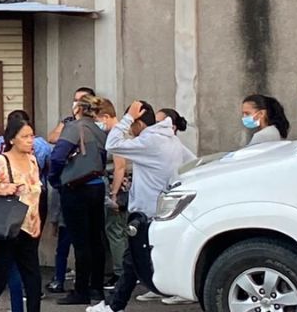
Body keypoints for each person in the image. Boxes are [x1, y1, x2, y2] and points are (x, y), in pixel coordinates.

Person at [87, 101, 197, 312]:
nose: (130, 129)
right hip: (161, 208)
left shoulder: (150, 141)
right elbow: (192, 162)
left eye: (131, 123)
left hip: (146, 212)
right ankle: (116, 304)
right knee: (136, 260)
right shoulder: (169, 139)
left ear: (138, 121)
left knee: (132, 261)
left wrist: (127, 116)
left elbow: (113, 145)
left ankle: (113, 306)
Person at [0, 110, 53, 311]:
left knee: (33, 279)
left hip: (28, 228)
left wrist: (37, 223)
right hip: (8, 228)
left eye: (31, 136)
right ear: (12, 139)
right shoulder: (1, 161)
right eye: (25, 137)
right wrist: (2, 190)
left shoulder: (33, 160)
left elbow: (35, 194)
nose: (30, 141)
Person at [50, 94, 108, 305]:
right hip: (97, 186)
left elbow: (57, 156)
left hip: (75, 188)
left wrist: (55, 178)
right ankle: (97, 289)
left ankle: (81, 290)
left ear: (78, 109)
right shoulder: (100, 129)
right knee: (97, 239)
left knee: (80, 241)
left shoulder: (74, 128)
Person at [97, 99, 128, 288]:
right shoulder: (119, 133)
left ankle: (120, 273)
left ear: (106, 117)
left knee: (115, 230)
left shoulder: (117, 135)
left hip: (118, 187)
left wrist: (114, 194)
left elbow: (120, 167)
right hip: (117, 186)